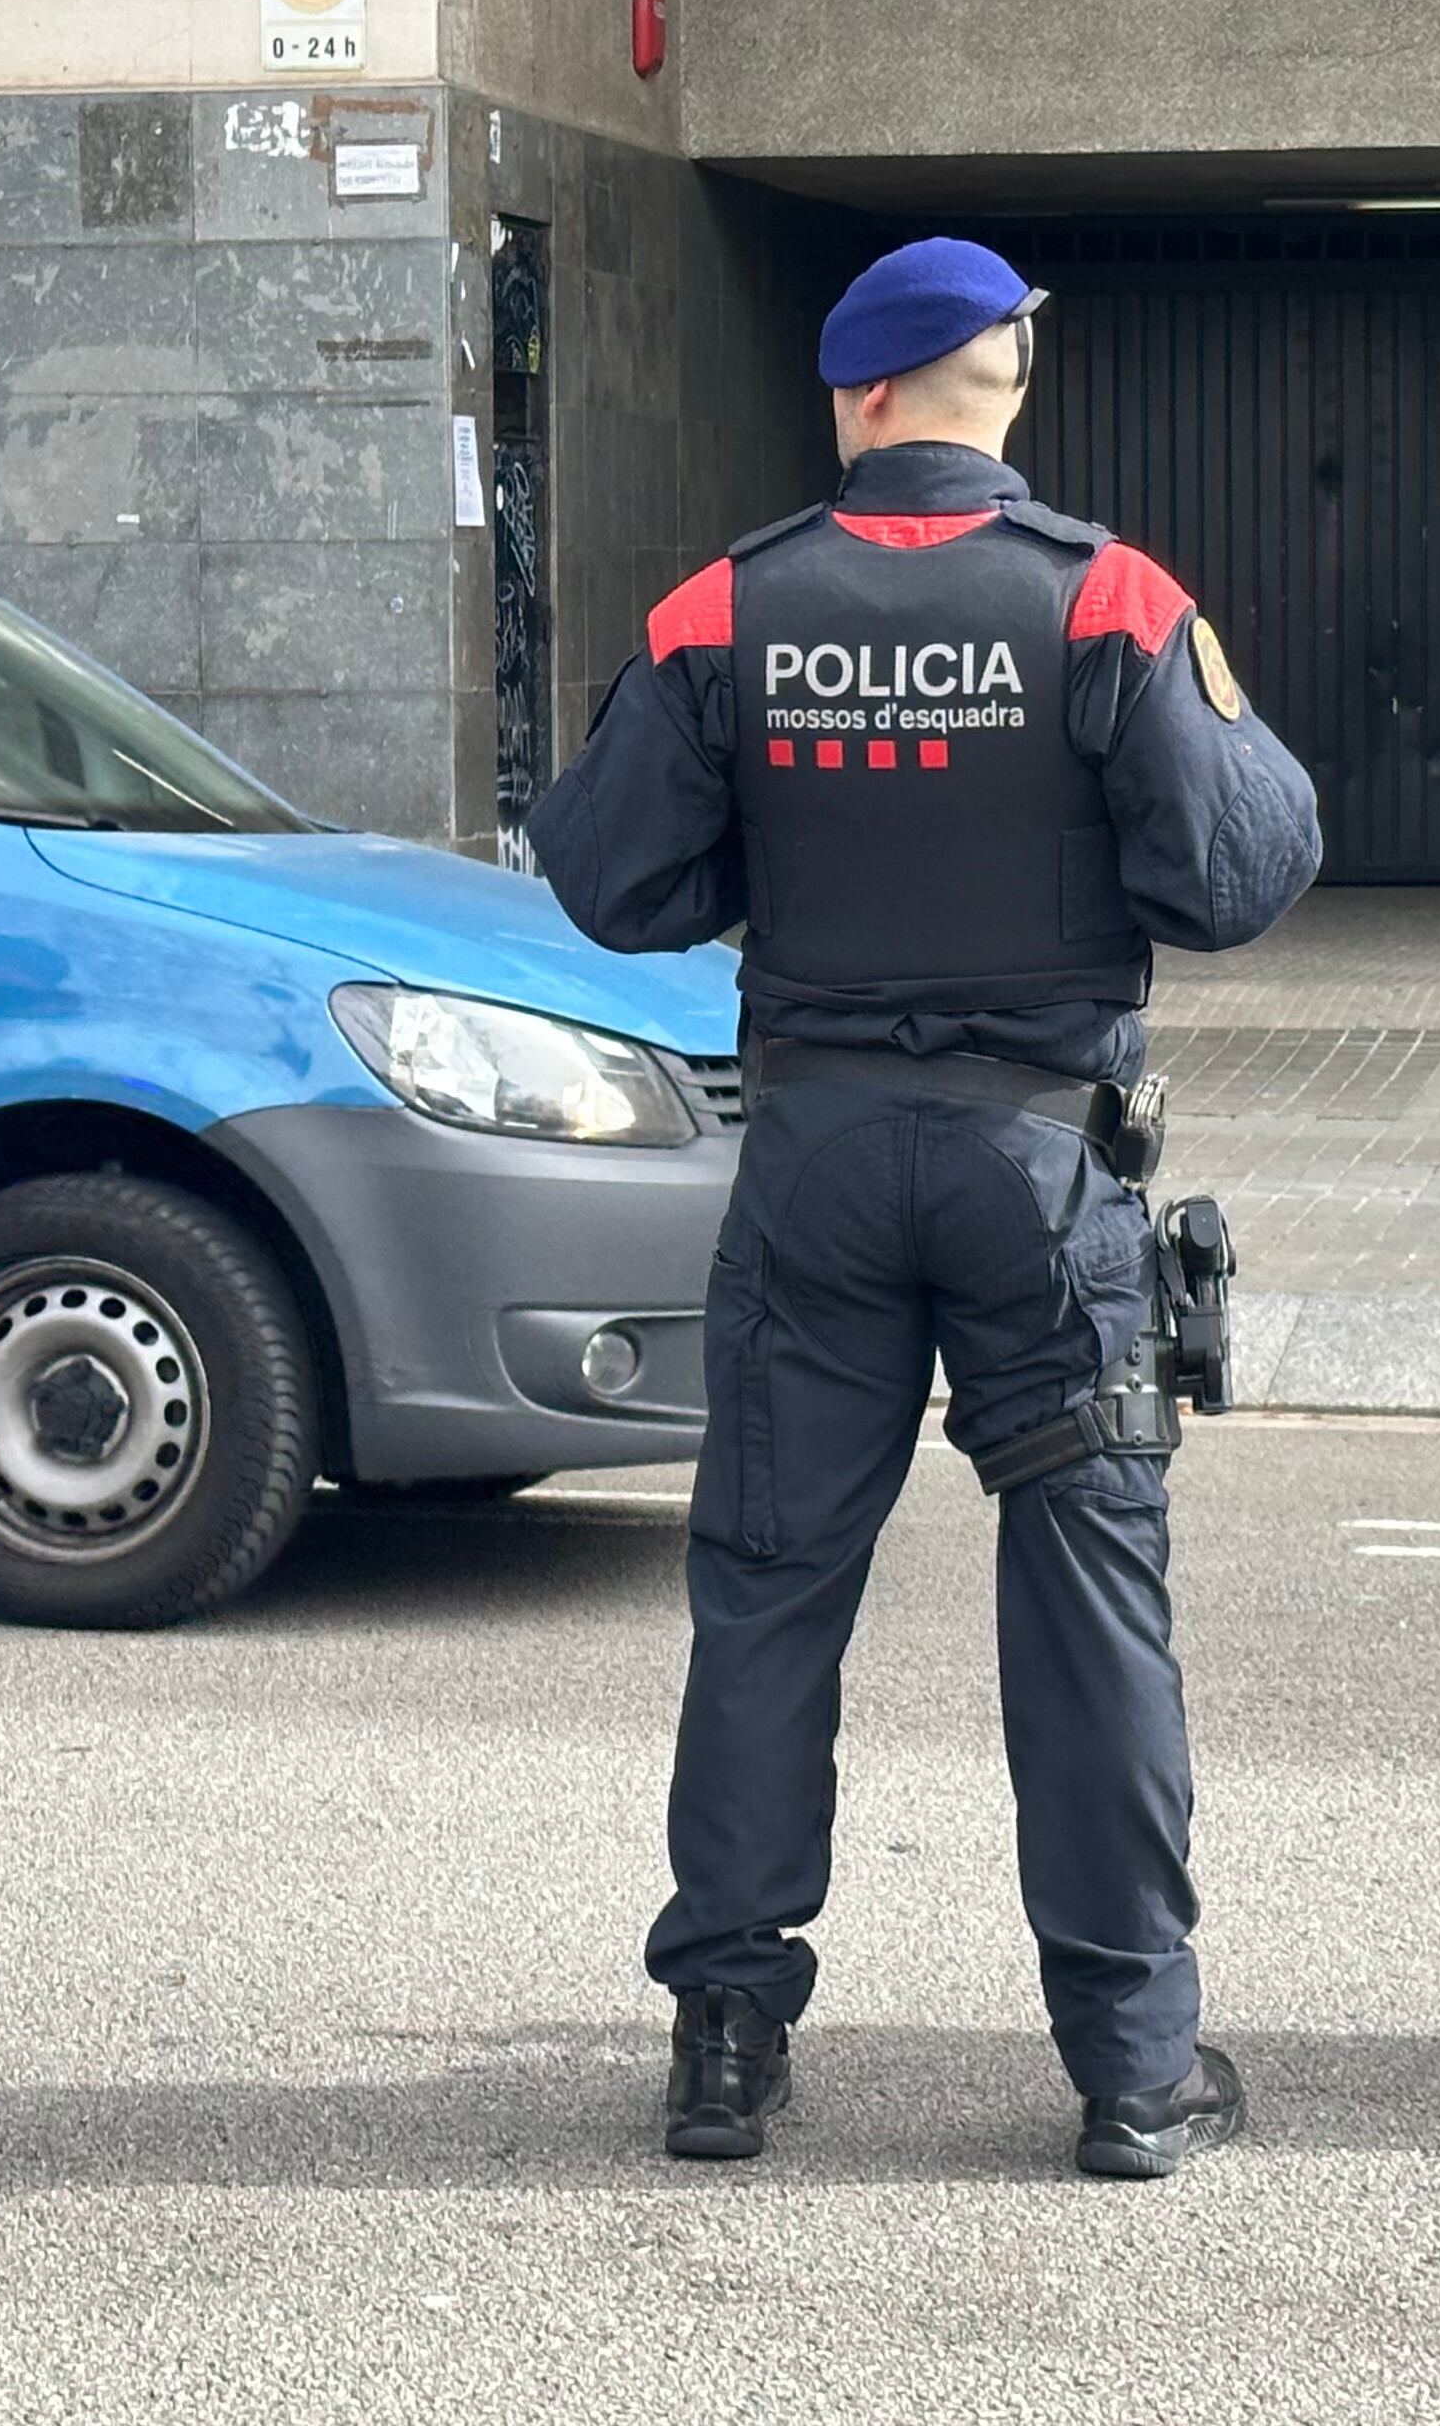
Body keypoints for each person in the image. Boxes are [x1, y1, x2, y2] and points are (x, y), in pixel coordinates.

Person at [530, 237, 1321, 2179]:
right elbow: (1242, 869)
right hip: (1037, 1173)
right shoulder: (1106, 597)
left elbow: (605, 875)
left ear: (854, 396)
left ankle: (725, 2039)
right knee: (1087, 1608)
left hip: (811, 1166)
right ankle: (1134, 2070)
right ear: (1004, 391)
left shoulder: (730, 604)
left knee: (772, 1588)